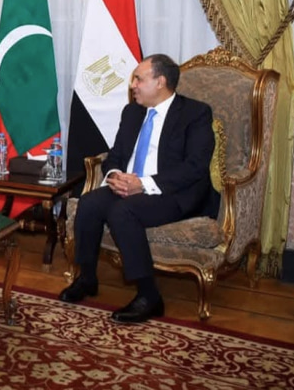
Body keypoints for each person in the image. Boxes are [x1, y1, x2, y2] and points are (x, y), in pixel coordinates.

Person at [60, 54, 217, 323]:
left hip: (171, 193)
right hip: (129, 186)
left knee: (122, 212)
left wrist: (142, 184)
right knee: (89, 203)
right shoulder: (132, 112)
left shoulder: (195, 113)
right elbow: (115, 155)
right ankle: (87, 278)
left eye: (139, 79)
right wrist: (115, 176)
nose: (132, 85)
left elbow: (195, 166)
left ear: (160, 82)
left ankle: (149, 295)